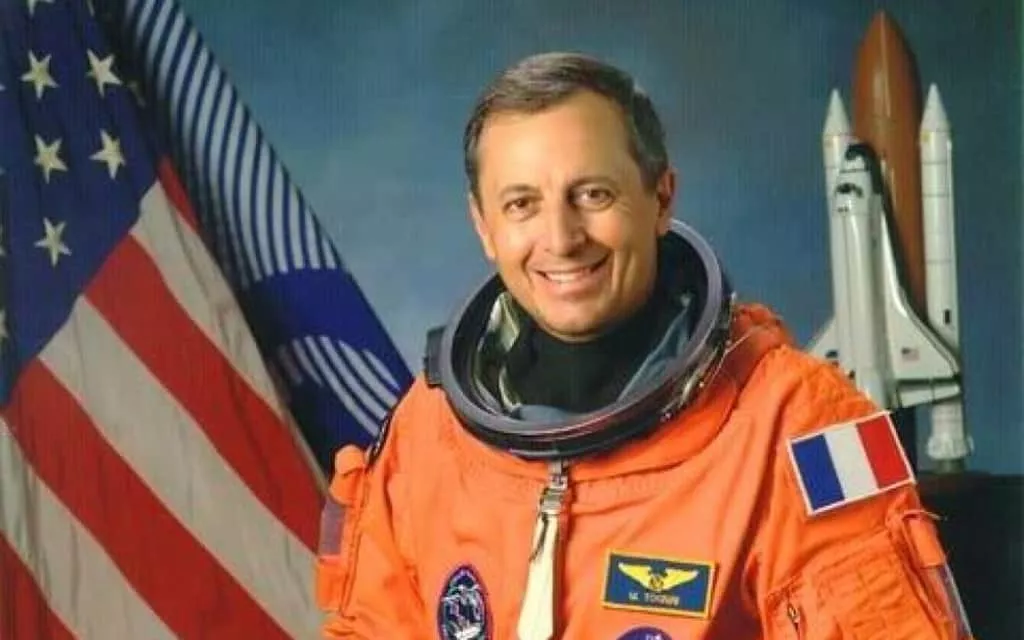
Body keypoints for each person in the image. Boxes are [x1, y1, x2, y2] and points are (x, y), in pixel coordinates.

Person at [315, 52, 973, 639]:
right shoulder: (426, 432)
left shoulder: (804, 427)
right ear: (484, 227)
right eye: (521, 204)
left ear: (660, 198)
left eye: (592, 194)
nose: (561, 238)